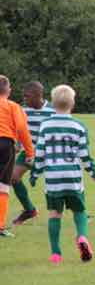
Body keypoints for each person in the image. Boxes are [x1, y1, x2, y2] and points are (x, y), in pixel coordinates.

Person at [30, 85, 95, 263]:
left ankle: (56, 253)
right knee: (79, 210)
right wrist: (93, 171)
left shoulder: (45, 126)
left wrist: (34, 174)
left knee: (54, 214)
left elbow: (40, 154)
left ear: (53, 104)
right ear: (72, 104)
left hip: (53, 180)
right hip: (73, 178)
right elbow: (84, 155)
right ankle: (82, 236)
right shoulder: (78, 126)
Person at [11, 81, 55, 226]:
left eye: (27, 96)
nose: (25, 99)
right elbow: (19, 130)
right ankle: (29, 210)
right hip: (29, 152)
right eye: (24, 96)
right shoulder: (23, 110)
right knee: (13, 177)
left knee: (61, 182)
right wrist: (17, 144)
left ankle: (80, 211)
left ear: (38, 95)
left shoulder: (53, 111)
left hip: (49, 153)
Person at [0, 76, 34, 238]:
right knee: (3, 186)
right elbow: (22, 129)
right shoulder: (13, 106)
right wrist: (30, 152)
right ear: (8, 90)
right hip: (5, 145)